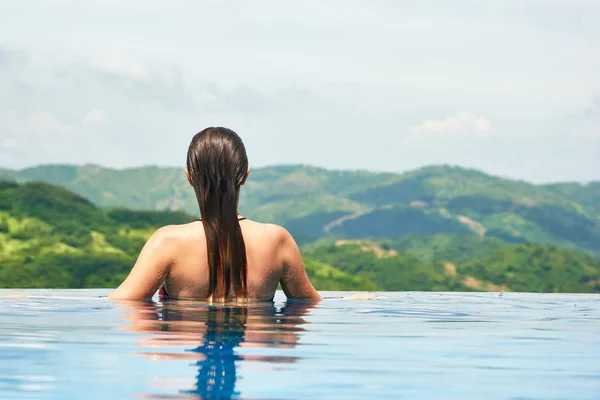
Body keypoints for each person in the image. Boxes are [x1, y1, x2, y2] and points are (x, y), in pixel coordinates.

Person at [109, 127, 322, 302]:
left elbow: (122, 304)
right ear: (245, 175)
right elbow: (308, 305)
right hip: (255, 352)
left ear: (189, 176)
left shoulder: (168, 242)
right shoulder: (278, 240)